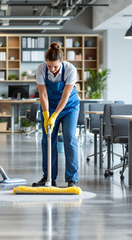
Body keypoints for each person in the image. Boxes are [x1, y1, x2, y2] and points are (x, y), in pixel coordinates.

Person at [32, 42, 80, 188]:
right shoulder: (41, 69)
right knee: (47, 139)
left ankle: (72, 179)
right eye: (49, 66)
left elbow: (65, 96)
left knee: (69, 138)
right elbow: (43, 94)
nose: (52, 69)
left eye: (55, 66)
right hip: (50, 106)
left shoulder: (70, 70)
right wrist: (47, 114)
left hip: (69, 107)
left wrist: (55, 115)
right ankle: (49, 177)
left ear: (62, 61)